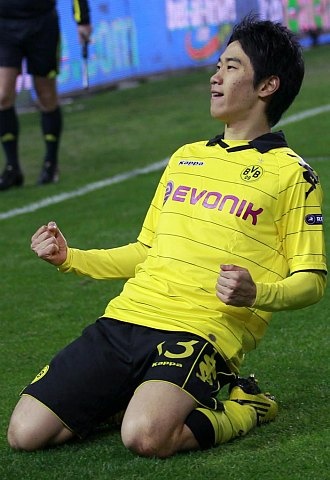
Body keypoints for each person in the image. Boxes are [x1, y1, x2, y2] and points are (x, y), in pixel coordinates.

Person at [7, 16, 327, 458]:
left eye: (231, 68)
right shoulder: (186, 158)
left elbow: (312, 280)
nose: (215, 77)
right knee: (25, 434)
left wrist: (258, 292)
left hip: (200, 332)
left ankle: (246, 404)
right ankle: (133, 391)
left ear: (267, 85)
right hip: (127, 319)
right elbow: (145, 252)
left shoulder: (293, 175)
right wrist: (70, 258)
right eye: (218, 66)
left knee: (145, 436)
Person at [0, 0, 91, 191]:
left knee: (46, 96)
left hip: (42, 24)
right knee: (2, 96)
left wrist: (82, 19)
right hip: (4, 25)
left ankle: (51, 163)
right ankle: (12, 167)